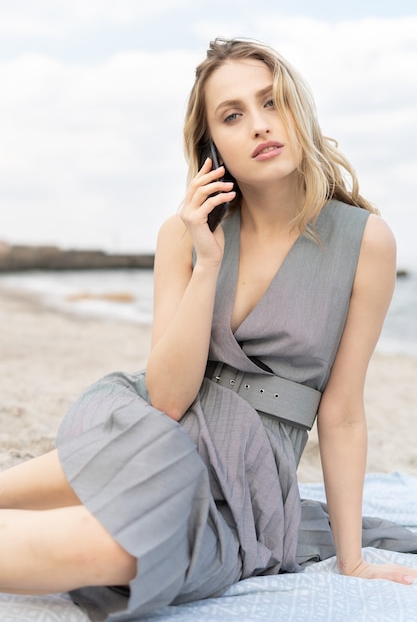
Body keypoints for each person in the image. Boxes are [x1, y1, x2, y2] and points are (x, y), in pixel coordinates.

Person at [0, 37, 416, 621]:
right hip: (155, 428)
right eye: (233, 115)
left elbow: (341, 412)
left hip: (246, 484)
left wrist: (352, 562)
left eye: (273, 102)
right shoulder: (184, 236)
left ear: (299, 110)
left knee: (113, 547)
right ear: (211, 144)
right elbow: (167, 398)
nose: (260, 126)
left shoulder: (365, 242)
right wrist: (209, 262)